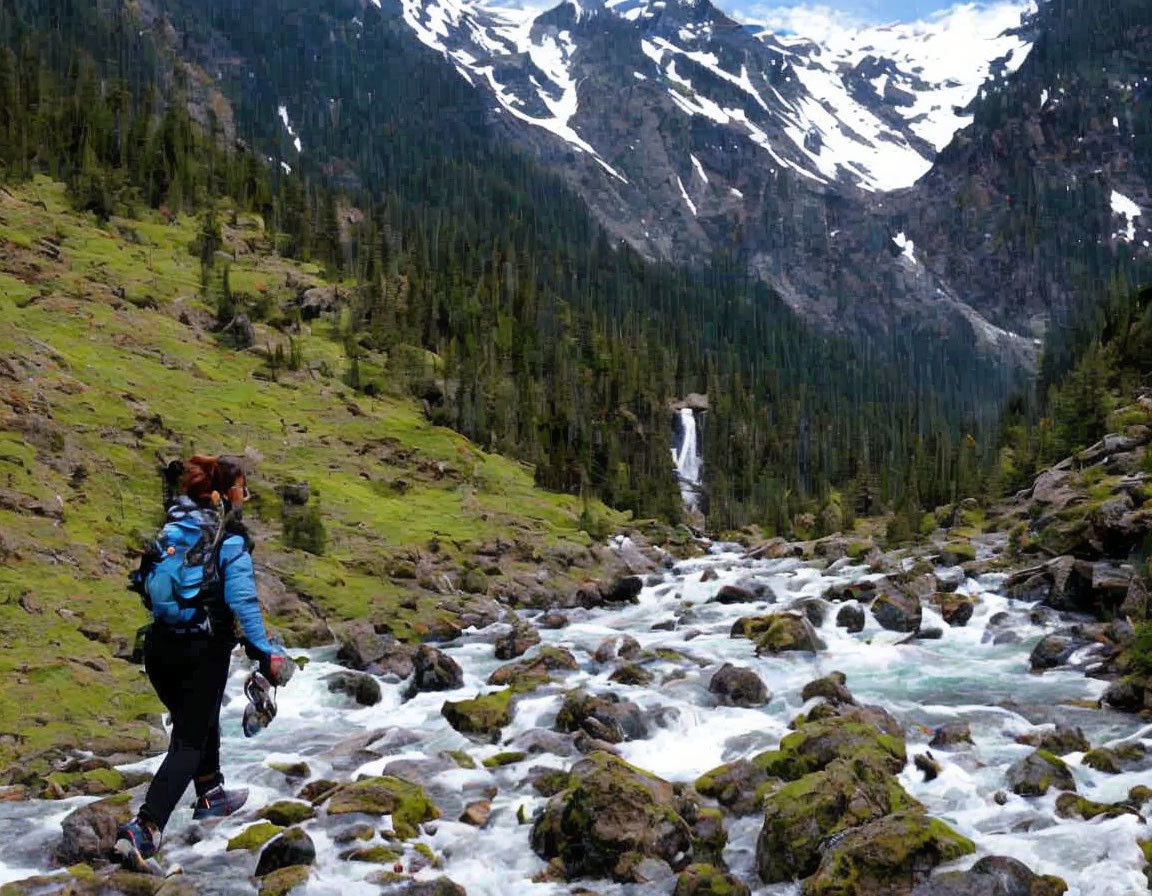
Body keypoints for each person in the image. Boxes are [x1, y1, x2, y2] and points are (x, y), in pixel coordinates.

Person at [115, 454, 294, 873]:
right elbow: (244, 603)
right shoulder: (226, 539)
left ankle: (211, 795)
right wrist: (266, 653)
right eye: (241, 489)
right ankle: (144, 830)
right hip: (201, 650)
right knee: (188, 742)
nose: (245, 496)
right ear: (223, 493)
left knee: (199, 716)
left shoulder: (175, 526)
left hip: (160, 648)